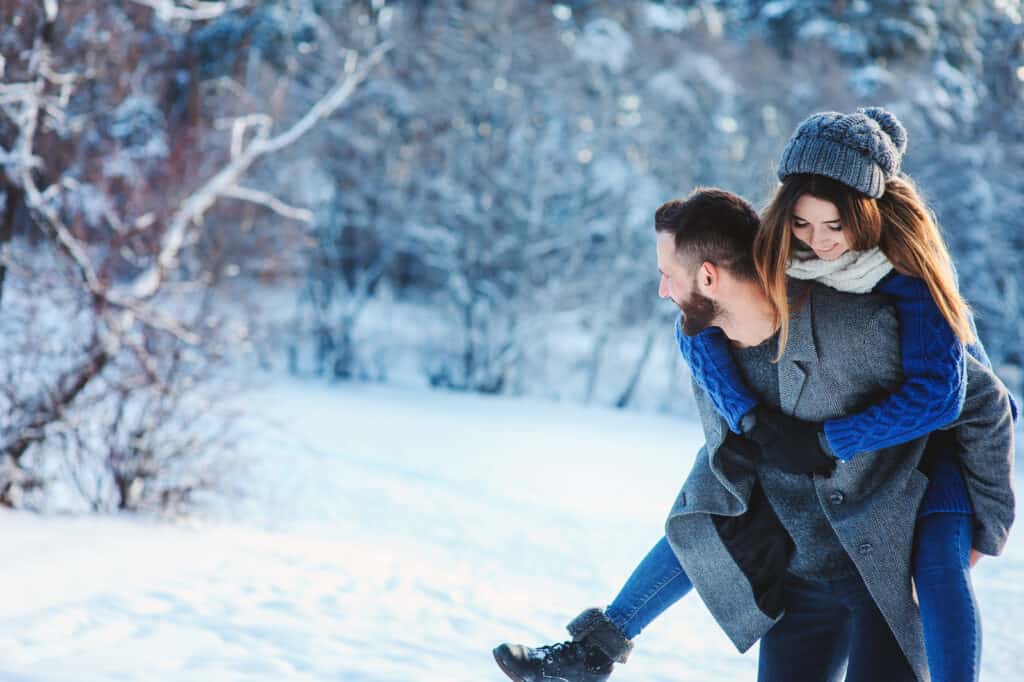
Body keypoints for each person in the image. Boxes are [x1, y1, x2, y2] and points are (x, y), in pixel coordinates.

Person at [493, 115, 1015, 681]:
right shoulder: (777, 269)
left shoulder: (896, 289)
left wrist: (981, 515)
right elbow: (693, 332)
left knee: (941, 568)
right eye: (802, 223)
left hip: (925, 472)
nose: (817, 239)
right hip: (817, 552)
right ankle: (598, 647)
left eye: (833, 224)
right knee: (720, 488)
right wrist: (751, 421)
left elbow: (969, 399)